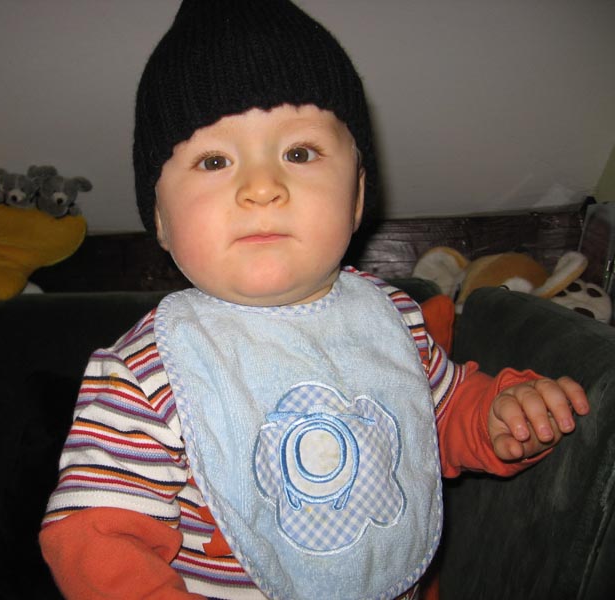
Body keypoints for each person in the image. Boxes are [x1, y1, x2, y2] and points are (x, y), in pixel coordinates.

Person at [40, 1, 589, 599]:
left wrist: (496, 415)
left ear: (357, 195)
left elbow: (441, 411)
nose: (261, 188)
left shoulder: (393, 320)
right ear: (162, 221)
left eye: (299, 153)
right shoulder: (145, 373)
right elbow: (94, 539)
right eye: (214, 160)